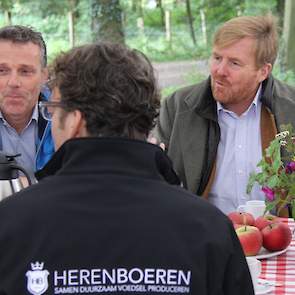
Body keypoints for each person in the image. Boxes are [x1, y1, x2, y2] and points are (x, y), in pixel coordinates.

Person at [0, 42, 254, 295]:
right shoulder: (209, 229)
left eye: (53, 111)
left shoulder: (11, 224)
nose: (51, 121)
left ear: (75, 121)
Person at [155, 14, 295, 216]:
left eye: (234, 63)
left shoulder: (289, 109)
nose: (219, 70)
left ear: (263, 71)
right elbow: (154, 181)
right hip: (201, 238)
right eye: (217, 57)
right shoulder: (177, 108)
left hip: (280, 240)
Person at [0, 25, 54, 178]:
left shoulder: (63, 118)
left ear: (44, 76)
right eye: (2, 71)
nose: (13, 82)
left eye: (25, 71)